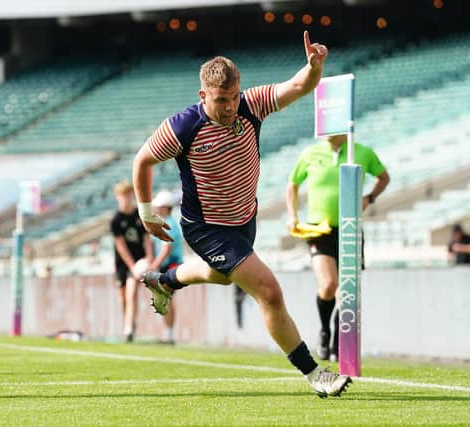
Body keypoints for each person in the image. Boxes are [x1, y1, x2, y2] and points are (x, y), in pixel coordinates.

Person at [133, 32, 352, 398]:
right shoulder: (183, 127)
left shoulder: (252, 105)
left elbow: (299, 85)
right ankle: (314, 373)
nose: (230, 106)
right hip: (206, 227)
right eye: (221, 100)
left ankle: (166, 281)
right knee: (269, 292)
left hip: (242, 220)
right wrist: (145, 212)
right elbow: (142, 160)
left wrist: (315, 68)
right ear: (203, 95)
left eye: (234, 97)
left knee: (220, 276)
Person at [286, 133, 390, 362]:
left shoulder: (362, 152)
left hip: (350, 227)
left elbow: (384, 177)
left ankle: (338, 343)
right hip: (319, 230)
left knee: (348, 292)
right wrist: (292, 215)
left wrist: (369, 198)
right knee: (329, 284)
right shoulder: (311, 153)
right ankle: (325, 331)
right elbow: (292, 185)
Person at [110, 181, 154, 342]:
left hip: (139, 259)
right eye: (122, 196)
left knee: (132, 291)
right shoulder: (116, 220)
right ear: (117, 197)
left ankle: (128, 329)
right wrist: (131, 266)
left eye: (128, 195)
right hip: (123, 263)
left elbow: (146, 238)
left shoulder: (138, 215)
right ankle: (128, 322)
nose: (126, 199)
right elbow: (120, 246)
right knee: (122, 297)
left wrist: (149, 257)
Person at [147, 190, 183, 344]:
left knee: (165, 298)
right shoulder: (167, 223)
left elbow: (166, 249)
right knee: (164, 298)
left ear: (165, 207)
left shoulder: (168, 225)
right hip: (168, 266)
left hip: (171, 266)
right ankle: (168, 334)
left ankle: (169, 335)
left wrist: (153, 266)